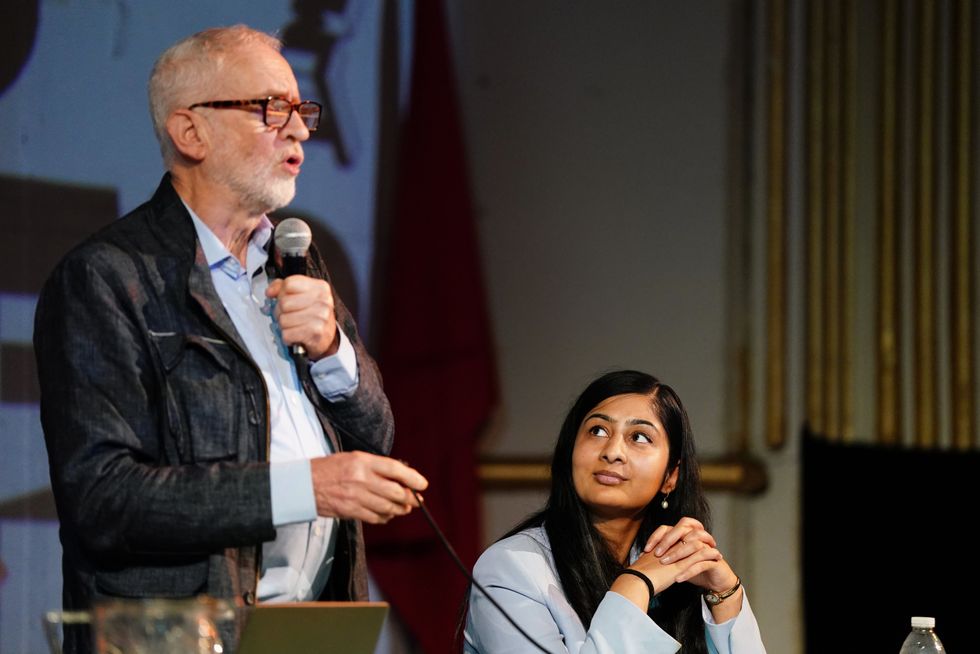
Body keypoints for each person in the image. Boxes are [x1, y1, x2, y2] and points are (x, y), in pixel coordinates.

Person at [33, 25, 427, 653]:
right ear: (191, 132)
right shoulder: (108, 277)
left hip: (308, 633)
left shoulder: (293, 261)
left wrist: (333, 353)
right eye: (272, 108)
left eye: (303, 110)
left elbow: (374, 439)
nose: (298, 129)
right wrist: (308, 487)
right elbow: (103, 497)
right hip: (178, 640)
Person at [463, 370, 766, 653]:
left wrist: (725, 593)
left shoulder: (675, 571)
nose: (612, 451)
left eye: (639, 437)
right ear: (570, 452)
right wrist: (635, 584)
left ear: (670, 477)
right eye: (597, 430)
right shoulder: (511, 569)